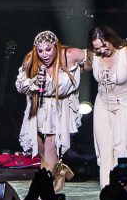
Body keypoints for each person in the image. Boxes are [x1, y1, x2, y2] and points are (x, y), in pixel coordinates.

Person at [84, 25, 127, 189]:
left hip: (125, 105)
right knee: (105, 151)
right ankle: (106, 193)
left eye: (104, 45)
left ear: (111, 39)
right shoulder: (94, 55)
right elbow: (80, 65)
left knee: (122, 149)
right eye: (97, 48)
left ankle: (125, 194)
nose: (102, 50)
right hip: (103, 104)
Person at [15, 31, 88, 190]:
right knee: (41, 152)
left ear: (55, 46)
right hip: (37, 110)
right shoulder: (31, 59)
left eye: (48, 49)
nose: (44, 54)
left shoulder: (69, 55)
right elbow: (19, 86)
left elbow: (93, 58)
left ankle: (46, 193)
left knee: (50, 150)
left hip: (58, 110)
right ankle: (59, 171)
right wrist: (33, 82)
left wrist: (83, 69)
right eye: (40, 51)